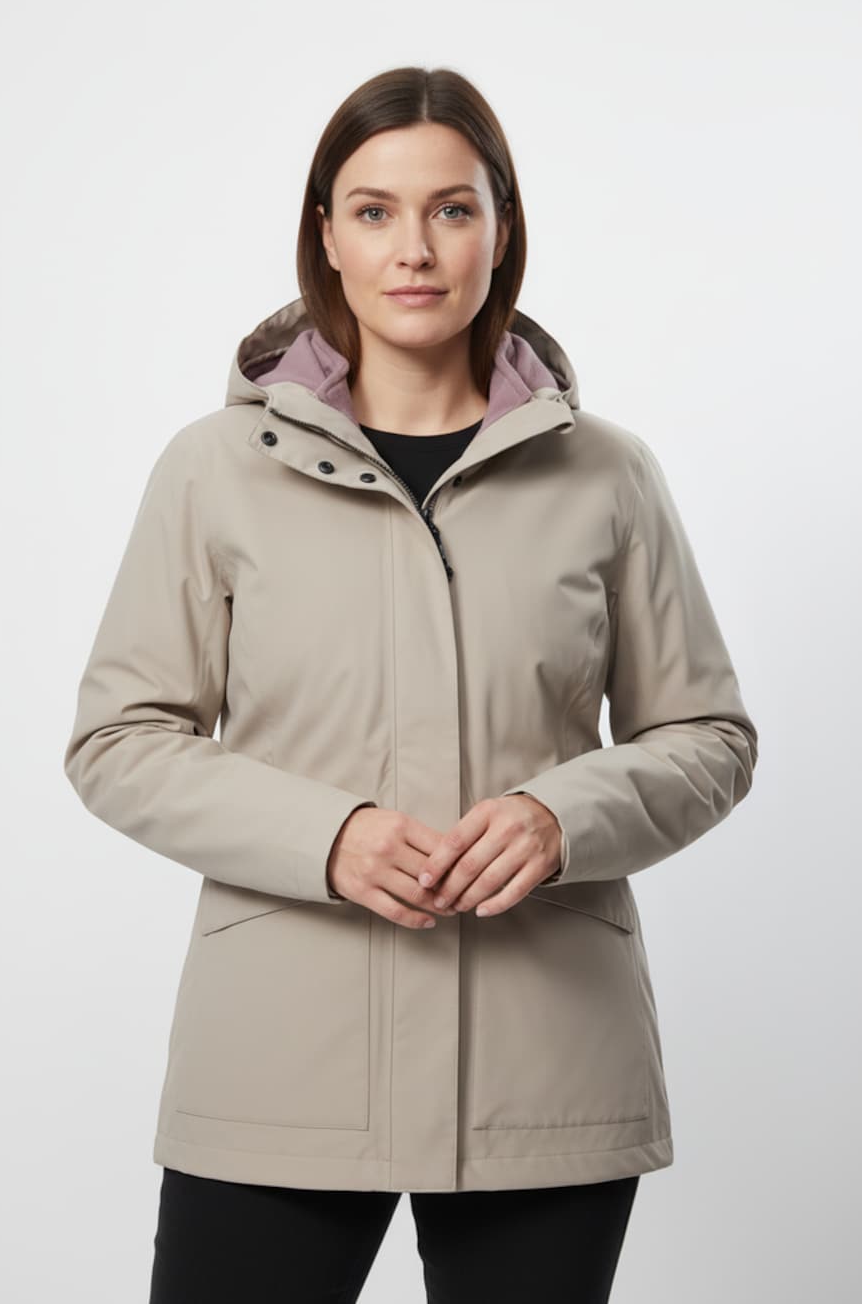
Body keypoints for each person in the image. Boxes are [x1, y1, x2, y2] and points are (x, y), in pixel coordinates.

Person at [62, 65, 759, 1304]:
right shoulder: (214, 470)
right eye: (375, 210)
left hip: (546, 1070)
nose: (415, 249)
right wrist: (325, 836)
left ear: (503, 230)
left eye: (453, 208)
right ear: (326, 234)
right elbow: (120, 738)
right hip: (281, 1063)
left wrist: (560, 817)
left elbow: (707, 734)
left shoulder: (608, 476)